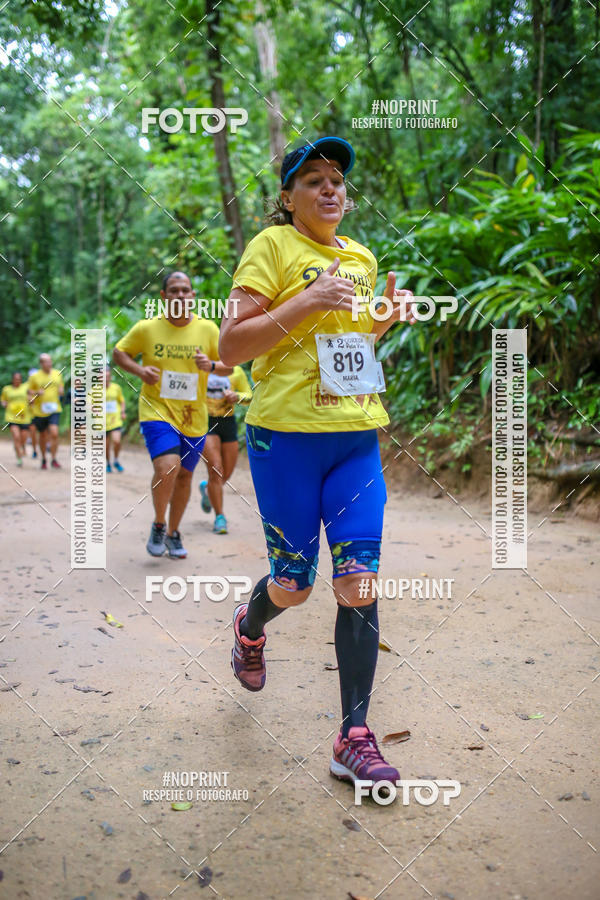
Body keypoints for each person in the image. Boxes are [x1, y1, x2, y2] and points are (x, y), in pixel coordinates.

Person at [219, 137, 417, 793]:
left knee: (359, 581)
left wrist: (380, 321)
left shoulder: (360, 257)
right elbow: (231, 346)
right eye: (312, 180)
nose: (330, 189)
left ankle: (352, 737)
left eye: (336, 180)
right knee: (295, 584)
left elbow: (349, 341)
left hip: (356, 434)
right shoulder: (271, 249)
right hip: (286, 438)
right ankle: (251, 628)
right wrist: (305, 300)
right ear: (287, 198)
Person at [113, 270, 232, 559]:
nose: (180, 294)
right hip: (157, 410)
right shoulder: (146, 328)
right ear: (164, 296)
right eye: (174, 290)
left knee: (184, 477)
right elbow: (119, 353)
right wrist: (140, 371)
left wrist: (212, 366)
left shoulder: (207, 330)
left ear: (193, 296)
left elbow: (230, 364)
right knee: (167, 466)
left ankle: (174, 533)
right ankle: (158, 522)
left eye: (185, 290)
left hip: (194, 416)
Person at [199, 364, 252, 534]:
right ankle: (220, 517)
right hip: (205, 421)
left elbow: (249, 396)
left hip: (227, 422)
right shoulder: (201, 366)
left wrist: (236, 396)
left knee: (226, 473)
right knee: (216, 469)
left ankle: (208, 489)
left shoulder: (235, 369)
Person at [27, 354, 64, 469]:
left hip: (54, 409)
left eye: (50, 361)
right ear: (41, 363)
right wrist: (36, 392)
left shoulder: (57, 373)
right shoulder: (35, 376)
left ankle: (53, 458)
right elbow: (29, 392)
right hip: (40, 411)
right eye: (46, 362)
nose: (49, 363)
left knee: (54, 433)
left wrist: (61, 390)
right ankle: (43, 459)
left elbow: (61, 388)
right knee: (42, 435)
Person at [1, 372, 31, 466]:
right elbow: (3, 399)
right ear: (12, 379)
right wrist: (4, 403)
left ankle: (21, 446)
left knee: (23, 439)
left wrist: (31, 401)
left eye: (19, 379)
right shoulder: (7, 389)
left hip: (24, 417)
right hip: (12, 417)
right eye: (15, 379)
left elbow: (31, 397)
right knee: (16, 437)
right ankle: (19, 459)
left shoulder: (25, 387)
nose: (17, 380)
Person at [103, 367, 126, 473]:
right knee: (106, 445)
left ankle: (116, 460)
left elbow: (122, 401)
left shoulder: (116, 388)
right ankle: (108, 463)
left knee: (116, 441)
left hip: (115, 420)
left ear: (110, 376)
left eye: (107, 376)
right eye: (103, 376)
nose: (106, 378)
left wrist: (122, 412)